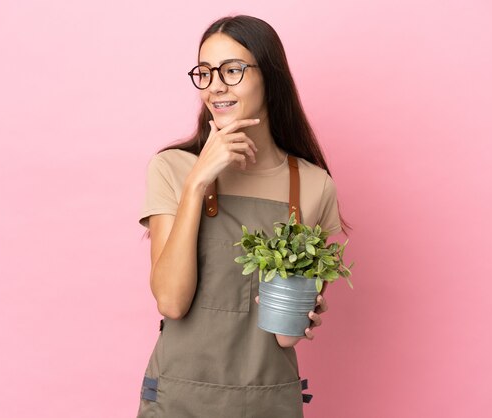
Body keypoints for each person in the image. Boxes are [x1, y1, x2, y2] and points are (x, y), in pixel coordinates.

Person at [136, 15, 347, 418]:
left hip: (268, 402)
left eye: (232, 70)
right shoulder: (173, 168)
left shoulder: (314, 185)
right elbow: (171, 302)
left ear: (270, 76)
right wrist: (198, 181)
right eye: (205, 72)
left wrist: (305, 311)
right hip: (179, 400)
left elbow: (285, 339)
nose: (215, 85)